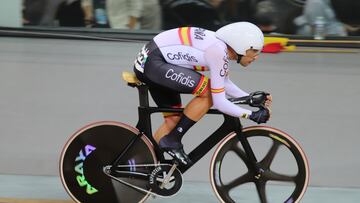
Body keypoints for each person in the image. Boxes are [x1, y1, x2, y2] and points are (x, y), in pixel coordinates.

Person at [133, 22, 272, 165]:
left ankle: (141, 165)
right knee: (209, 93)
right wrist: (250, 115)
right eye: (255, 51)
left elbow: (224, 83)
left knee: (173, 121)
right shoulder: (218, 52)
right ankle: (172, 140)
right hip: (154, 63)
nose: (256, 57)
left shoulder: (221, 49)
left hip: (153, 61)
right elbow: (219, 102)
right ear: (242, 46)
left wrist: (250, 98)